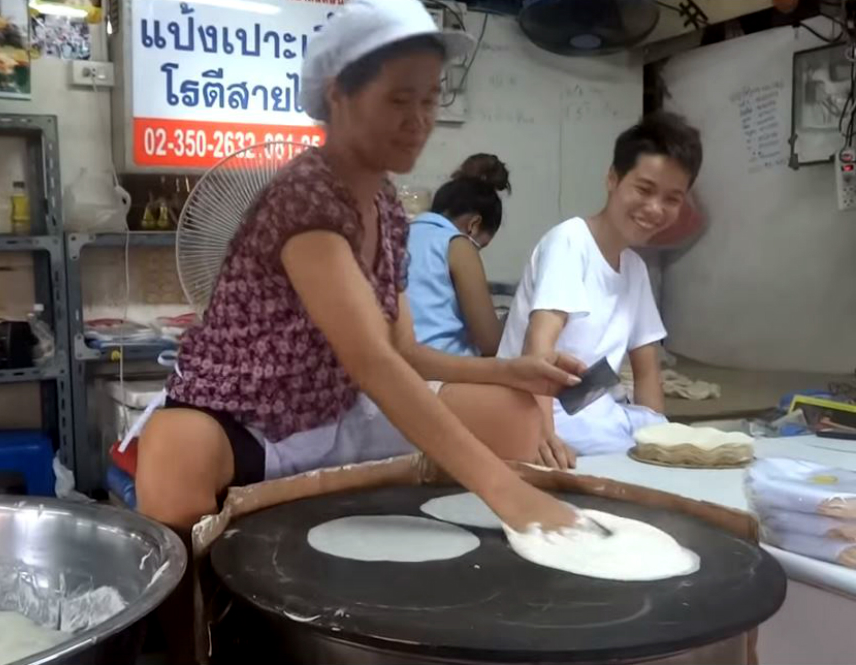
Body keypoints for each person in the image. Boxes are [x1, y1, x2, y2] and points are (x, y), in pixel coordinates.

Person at [135, 0, 585, 539]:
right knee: (173, 455)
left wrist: (508, 370)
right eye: (399, 98)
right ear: (338, 95)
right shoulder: (305, 195)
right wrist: (509, 494)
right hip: (249, 420)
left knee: (511, 412)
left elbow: (404, 353)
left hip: (337, 412)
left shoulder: (389, 209)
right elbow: (372, 362)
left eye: (429, 98)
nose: (419, 120)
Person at [497, 112, 703, 460]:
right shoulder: (570, 242)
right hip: (536, 407)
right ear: (612, 179)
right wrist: (542, 436)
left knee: (684, 447)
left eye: (672, 198)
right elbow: (538, 347)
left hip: (593, 408)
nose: (655, 208)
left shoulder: (634, 268)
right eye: (644, 189)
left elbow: (647, 368)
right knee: (623, 450)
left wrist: (661, 442)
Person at [406, 155, 510, 357]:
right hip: (440, 369)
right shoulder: (457, 245)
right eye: (481, 245)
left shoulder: (398, 235)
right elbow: (491, 344)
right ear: (473, 225)